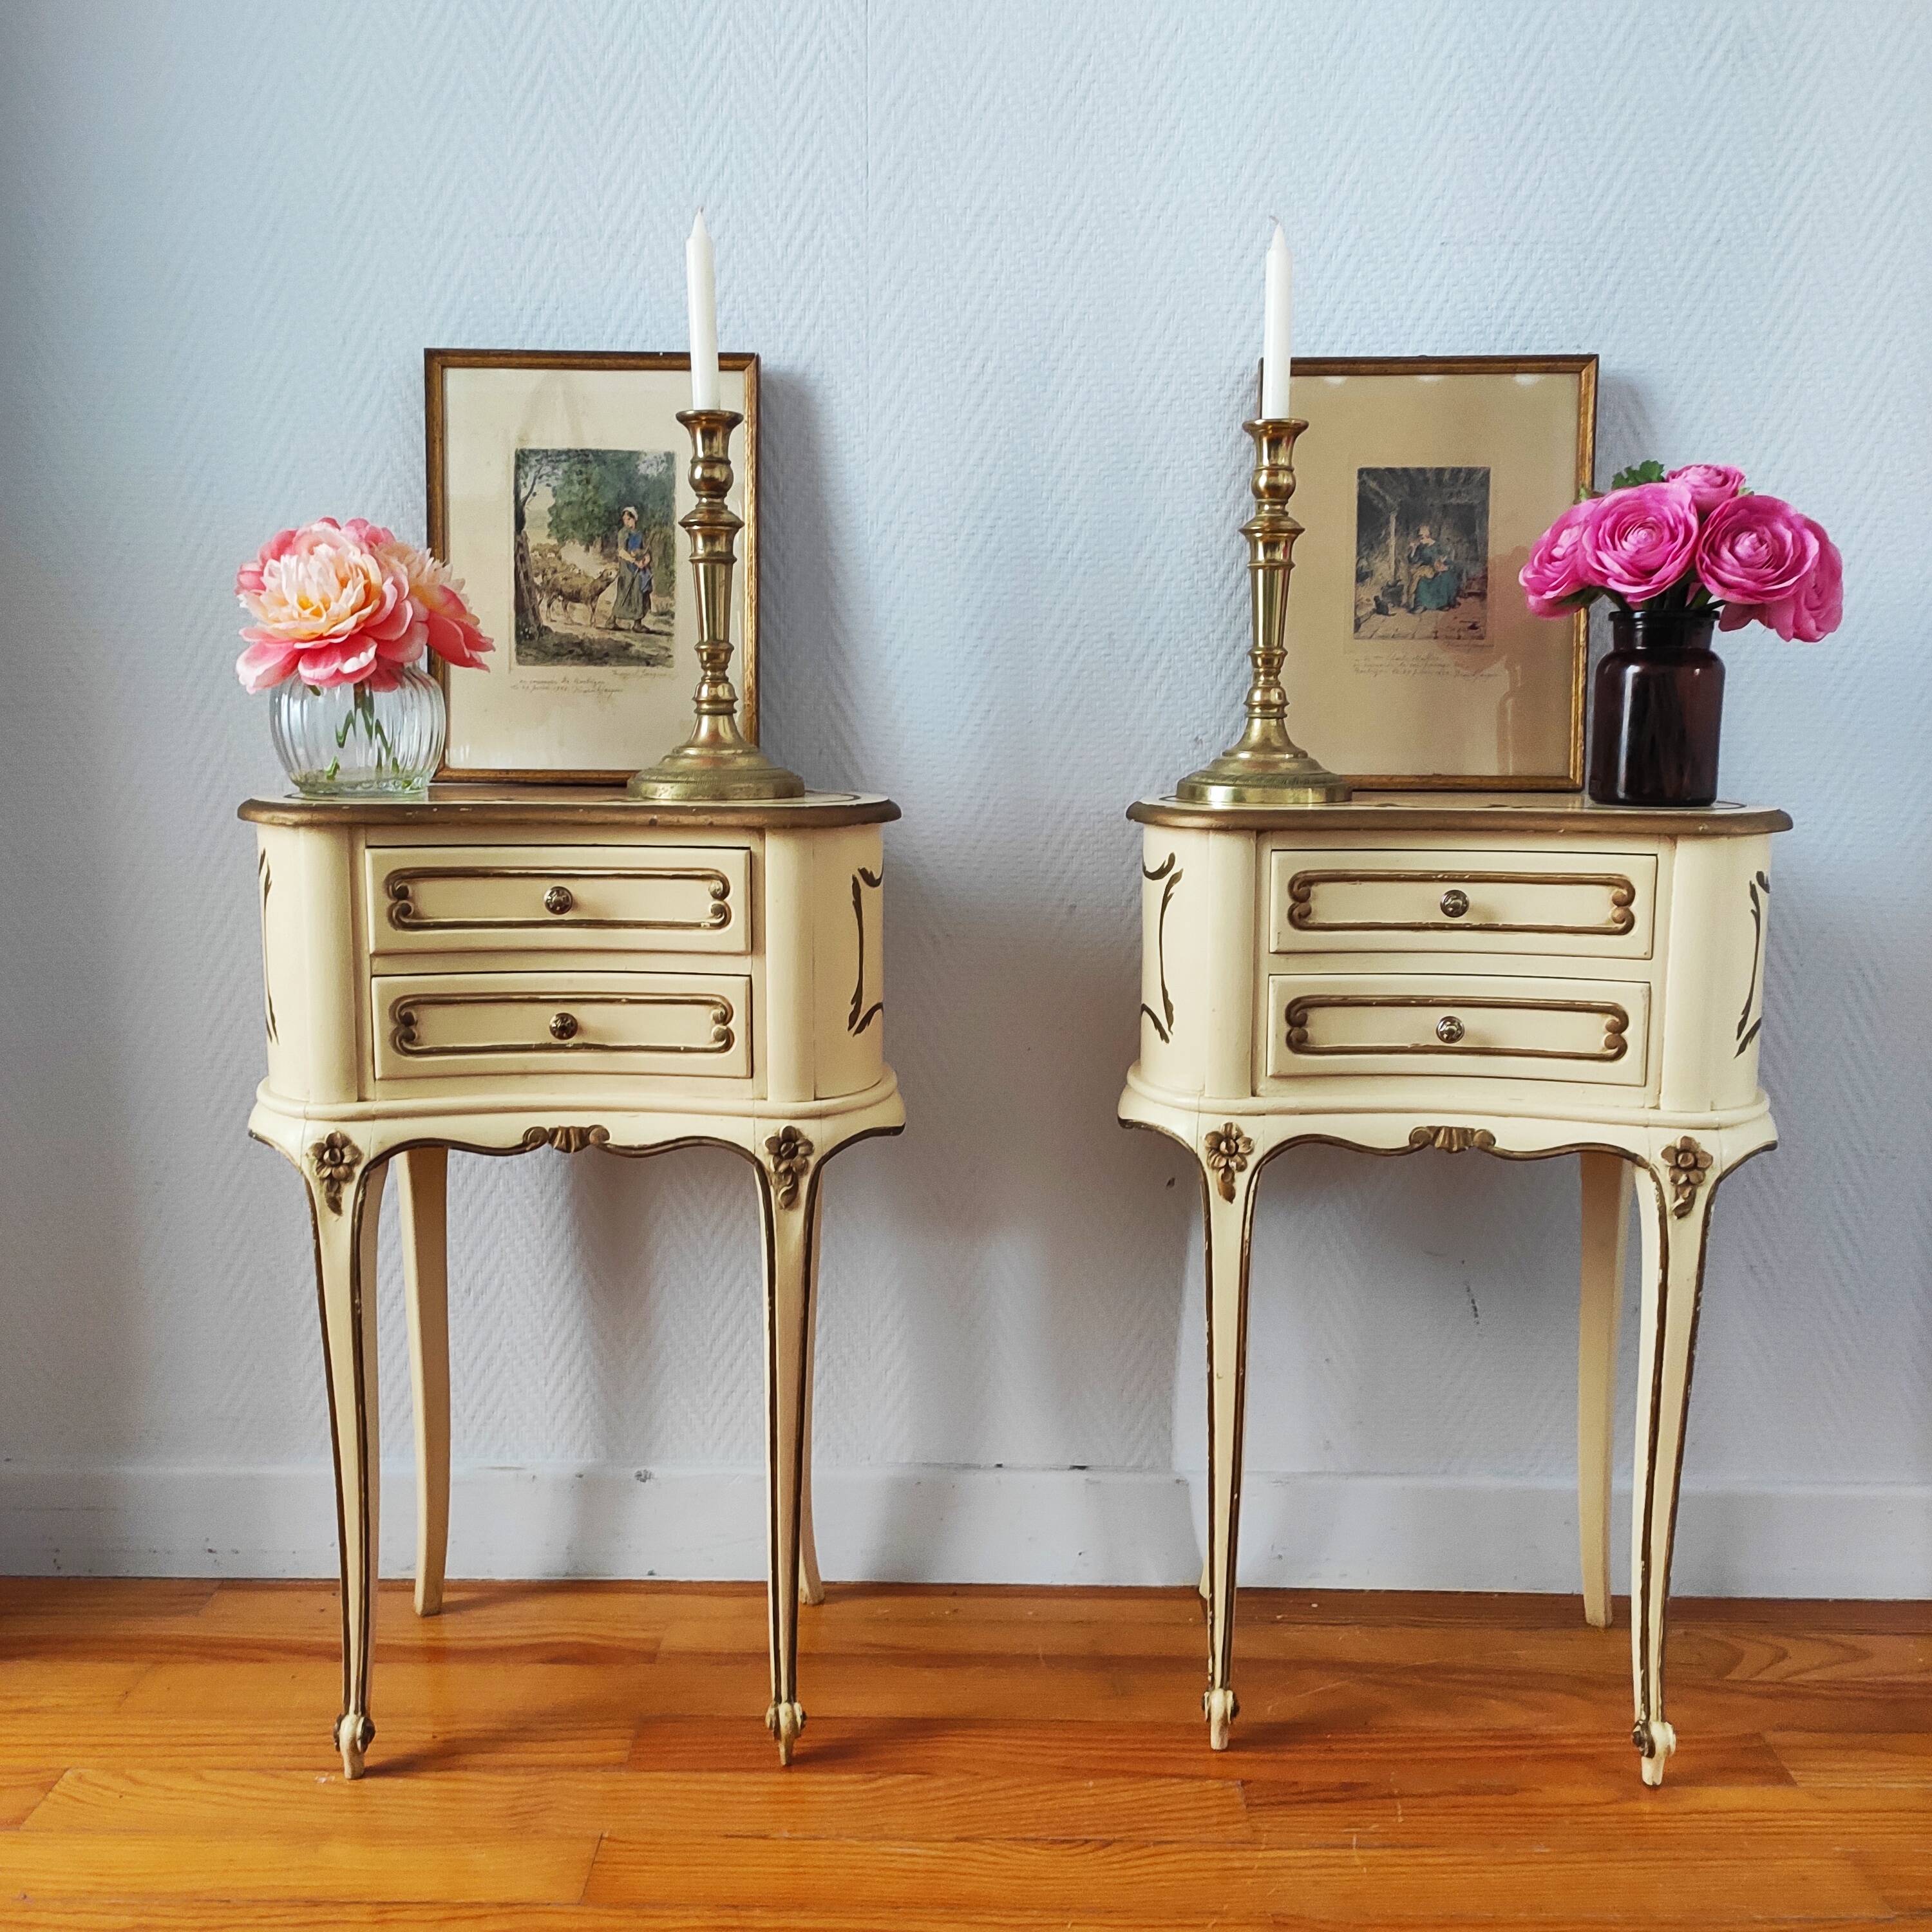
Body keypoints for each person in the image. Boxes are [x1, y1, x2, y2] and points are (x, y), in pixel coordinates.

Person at [1405, 524, 1463, 614]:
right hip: (1427, 569)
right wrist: (1414, 549)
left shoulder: (1437, 545)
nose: (1421, 537)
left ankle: (1443, 604)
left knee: (1445, 576)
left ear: (1428, 534)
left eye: (1423, 534)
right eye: (1420, 535)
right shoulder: (1420, 547)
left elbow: (1445, 558)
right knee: (1421, 580)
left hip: (1439, 568)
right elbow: (1412, 560)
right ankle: (1420, 605)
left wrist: (1444, 565)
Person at [612, 506, 652, 631]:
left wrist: (646, 560)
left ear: (635, 519)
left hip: (640, 568)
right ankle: (611, 621)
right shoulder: (623, 533)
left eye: (629, 519)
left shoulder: (640, 534)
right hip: (627, 569)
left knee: (640, 594)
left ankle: (637, 624)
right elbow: (622, 552)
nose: (626, 522)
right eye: (624, 519)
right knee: (625, 593)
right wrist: (635, 561)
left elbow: (646, 550)